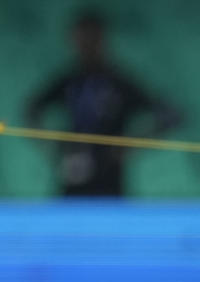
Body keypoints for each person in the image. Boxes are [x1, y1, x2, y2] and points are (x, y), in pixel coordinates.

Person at [25, 9, 181, 196]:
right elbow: (32, 109)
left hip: (110, 180)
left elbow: (170, 116)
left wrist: (130, 146)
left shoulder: (120, 82)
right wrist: (54, 147)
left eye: (92, 39)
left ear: (103, 39)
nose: (86, 46)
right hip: (73, 176)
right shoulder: (69, 80)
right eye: (81, 40)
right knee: (69, 223)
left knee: (109, 221)